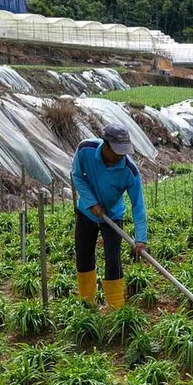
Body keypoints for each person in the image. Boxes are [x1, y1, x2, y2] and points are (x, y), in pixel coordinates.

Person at [72, 124, 147, 310]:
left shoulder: (130, 171)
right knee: (84, 255)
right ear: (106, 145)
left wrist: (141, 239)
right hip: (86, 212)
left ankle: (116, 308)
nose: (121, 156)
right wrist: (91, 203)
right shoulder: (85, 150)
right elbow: (77, 176)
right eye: (117, 152)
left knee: (113, 259)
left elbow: (138, 205)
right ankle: (87, 303)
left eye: (124, 152)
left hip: (113, 216)